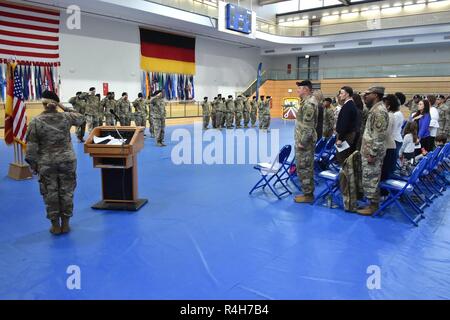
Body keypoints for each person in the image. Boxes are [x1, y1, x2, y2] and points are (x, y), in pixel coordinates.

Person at [25, 90, 84, 235]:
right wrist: (64, 107)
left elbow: (31, 147)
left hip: (47, 162)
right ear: (56, 104)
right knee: (67, 192)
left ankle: (55, 226)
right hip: (67, 161)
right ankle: (66, 224)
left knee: (50, 193)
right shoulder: (66, 117)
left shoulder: (36, 122)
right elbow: (81, 118)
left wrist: (33, 165)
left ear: (43, 104)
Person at [357, 86, 389, 215]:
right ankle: (371, 203)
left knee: (372, 178)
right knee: (369, 178)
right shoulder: (375, 109)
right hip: (368, 151)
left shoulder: (379, 111)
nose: (365, 96)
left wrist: (373, 153)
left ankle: (373, 206)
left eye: (368, 94)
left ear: (375, 95)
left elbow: (379, 136)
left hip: (372, 153)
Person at [294, 80, 318, 203]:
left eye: (299, 88)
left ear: (306, 90)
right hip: (304, 142)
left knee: (304, 167)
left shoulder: (309, 104)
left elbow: (308, 127)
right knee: (304, 167)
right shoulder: (306, 103)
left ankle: (308, 195)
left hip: (305, 144)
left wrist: (302, 142)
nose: (297, 90)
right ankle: (307, 192)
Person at [335, 86, 359, 164]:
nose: (340, 95)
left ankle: (344, 175)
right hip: (347, 135)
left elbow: (344, 124)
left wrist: (340, 139)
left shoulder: (348, 106)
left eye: (342, 93)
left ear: (347, 94)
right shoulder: (349, 105)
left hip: (345, 136)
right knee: (343, 156)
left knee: (342, 157)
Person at [381, 94, 401, 181]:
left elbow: (385, 133)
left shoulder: (389, 116)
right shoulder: (392, 115)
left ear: (388, 106)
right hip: (390, 144)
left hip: (388, 146)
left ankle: (383, 192)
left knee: (384, 171)